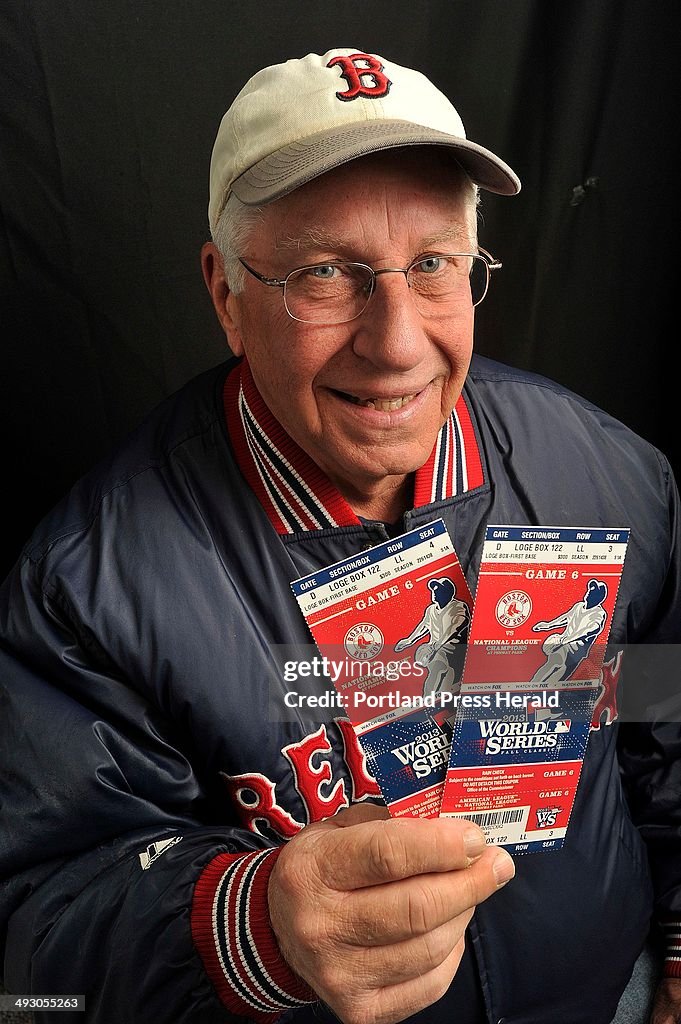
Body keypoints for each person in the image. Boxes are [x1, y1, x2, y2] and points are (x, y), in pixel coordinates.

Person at [0, 47, 680, 1024]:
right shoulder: (86, 589)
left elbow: (667, 706)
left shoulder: (603, 470)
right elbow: (35, 946)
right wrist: (254, 926)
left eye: (434, 263)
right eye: (326, 272)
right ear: (225, 294)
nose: (398, 340)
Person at [394, 577, 470, 697]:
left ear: (448, 593)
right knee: (437, 666)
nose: (434, 593)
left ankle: (429, 700)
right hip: (436, 651)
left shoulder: (458, 607)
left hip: (455, 652)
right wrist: (409, 640)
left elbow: (455, 628)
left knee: (443, 671)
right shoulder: (431, 610)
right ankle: (428, 700)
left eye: (438, 590)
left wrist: (436, 646)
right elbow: (424, 626)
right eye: (434, 590)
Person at [530, 578, 608, 684]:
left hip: (577, 650)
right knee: (552, 664)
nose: (589, 593)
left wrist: (566, 640)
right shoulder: (578, 606)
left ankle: (543, 693)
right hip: (564, 646)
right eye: (590, 590)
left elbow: (591, 630)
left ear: (599, 598)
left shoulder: (599, 613)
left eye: (593, 592)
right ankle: (532, 686)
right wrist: (547, 626)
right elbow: (565, 618)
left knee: (559, 676)